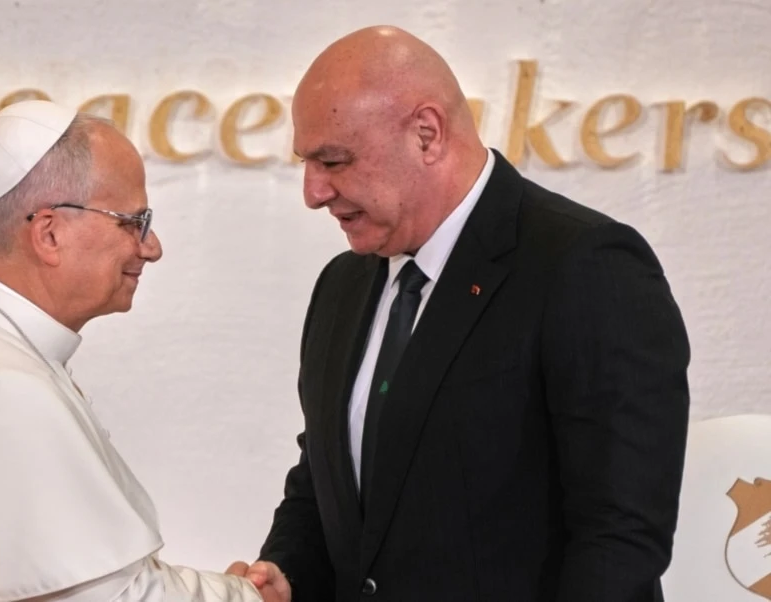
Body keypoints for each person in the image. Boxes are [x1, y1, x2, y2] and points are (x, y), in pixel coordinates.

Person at [241, 25, 691, 602]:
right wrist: (286, 571)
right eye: (307, 161)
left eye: (334, 160)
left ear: (427, 133)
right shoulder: (342, 284)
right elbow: (323, 482)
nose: (313, 192)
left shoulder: (587, 266)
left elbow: (620, 537)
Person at [0, 100, 289, 602]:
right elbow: (106, 597)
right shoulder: (5, 384)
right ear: (49, 233)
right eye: (132, 221)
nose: (151, 246)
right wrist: (247, 597)